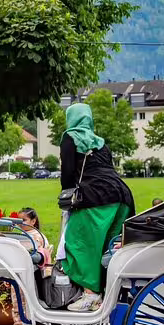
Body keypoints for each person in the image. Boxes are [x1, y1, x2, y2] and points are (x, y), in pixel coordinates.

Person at [58, 104, 135, 312]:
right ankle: (106, 292)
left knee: (79, 242)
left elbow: (67, 173)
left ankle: (91, 295)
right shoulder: (101, 143)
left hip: (96, 197)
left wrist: (67, 197)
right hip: (122, 197)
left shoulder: (70, 137)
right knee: (107, 247)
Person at [11, 208, 51, 325]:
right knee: (16, 303)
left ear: (33, 221)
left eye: (24, 220)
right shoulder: (18, 234)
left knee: (34, 302)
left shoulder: (36, 236)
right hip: (18, 272)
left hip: (33, 274)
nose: (20, 223)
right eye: (19, 220)